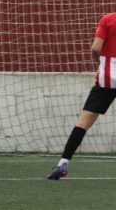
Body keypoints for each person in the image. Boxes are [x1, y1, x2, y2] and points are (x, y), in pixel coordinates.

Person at [48, 12, 116, 180]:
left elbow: (95, 48)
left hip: (107, 78)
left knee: (83, 123)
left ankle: (63, 163)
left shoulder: (108, 20)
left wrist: (99, 62)